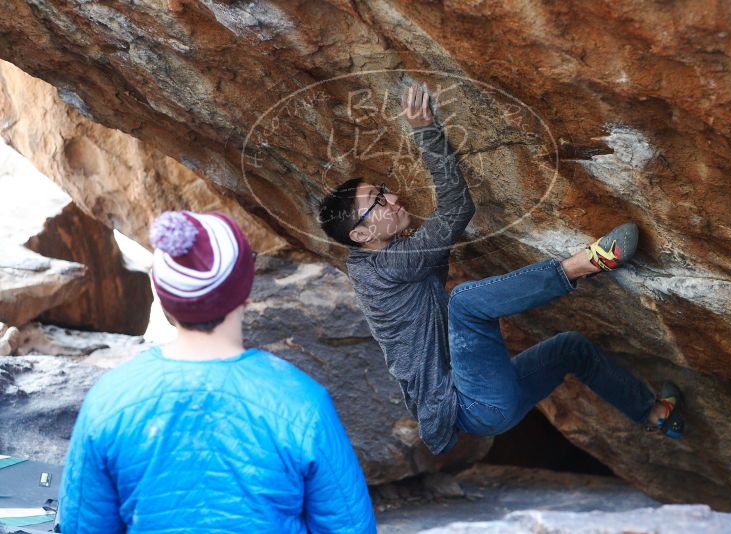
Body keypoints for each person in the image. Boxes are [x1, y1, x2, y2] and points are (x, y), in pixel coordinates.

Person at [318, 83, 684, 456]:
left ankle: (656, 414)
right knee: (464, 302)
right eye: (377, 201)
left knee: (572, 348)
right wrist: (425, 129)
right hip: (473, 404)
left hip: (492, 399)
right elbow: (456, 209)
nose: (393, 197)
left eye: (383, 189)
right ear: (361, 234)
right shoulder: (388, 266)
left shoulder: (376, 261)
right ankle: (585, 264)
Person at [58, 211, 376, 533]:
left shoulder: (108, 401)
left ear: (162, 297)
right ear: (245, 290)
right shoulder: (303, 403)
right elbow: (349, 527)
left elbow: (81, 526)